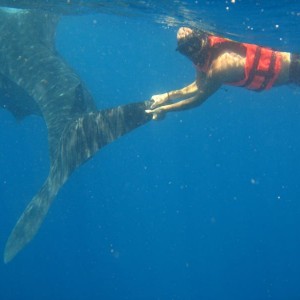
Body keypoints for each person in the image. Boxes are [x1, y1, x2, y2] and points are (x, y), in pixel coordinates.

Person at [146, 27, 299, 120]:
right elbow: (199, 85)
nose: (192, 52)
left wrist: (165, 109)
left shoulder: (220, 66)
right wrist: (166, 96)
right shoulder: (201, 56)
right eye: (186, 50)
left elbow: (198, 99)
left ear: (203, 39)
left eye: (194, 45)